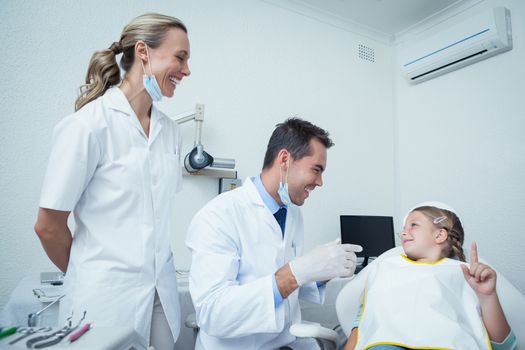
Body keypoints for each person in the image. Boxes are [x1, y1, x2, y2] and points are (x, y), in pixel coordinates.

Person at [34, 13, 191, 349]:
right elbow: (48, 226)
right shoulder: (88, 126)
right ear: (143, 52)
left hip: (161, 298)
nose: (187, 70)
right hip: (104, 301)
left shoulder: (171, 132)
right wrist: (90, 274)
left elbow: (155, 218)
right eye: (180, 57)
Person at [186, 118, 362, 350]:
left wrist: (320, 274)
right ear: (285, 160)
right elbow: (213, 313)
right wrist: (295, 272)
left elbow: (280, 283)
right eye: (316, 170)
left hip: (283, 342)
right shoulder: (219, 216)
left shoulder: (292, 213)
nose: (320, 182)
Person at [344, 202, 517, 350]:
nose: (404, 233)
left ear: (440, 234)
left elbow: (506, 346)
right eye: (403, 229)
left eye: (414, 225)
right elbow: (361, 327)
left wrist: (488, 296)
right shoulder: (385, 270)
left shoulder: (466, 275)